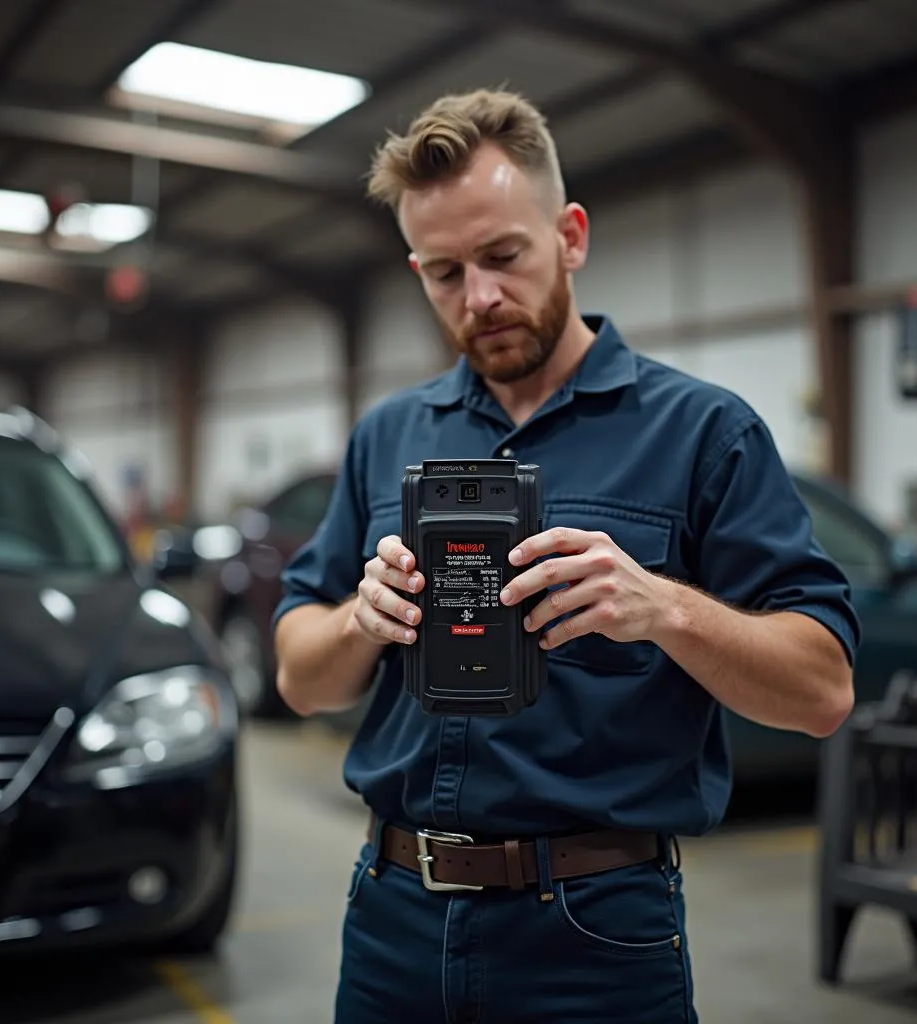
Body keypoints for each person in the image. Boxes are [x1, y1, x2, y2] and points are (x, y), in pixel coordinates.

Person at [272, 89, 860, 1024]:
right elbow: (301, 681)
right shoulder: (385, 438)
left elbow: (823, 690)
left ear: (571, 236)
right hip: (392, 924)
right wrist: (359, 618)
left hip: (595, 939)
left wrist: (661, 607)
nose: (481, 298)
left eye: (504, 257)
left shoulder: (704, 434)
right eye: (444, 273)